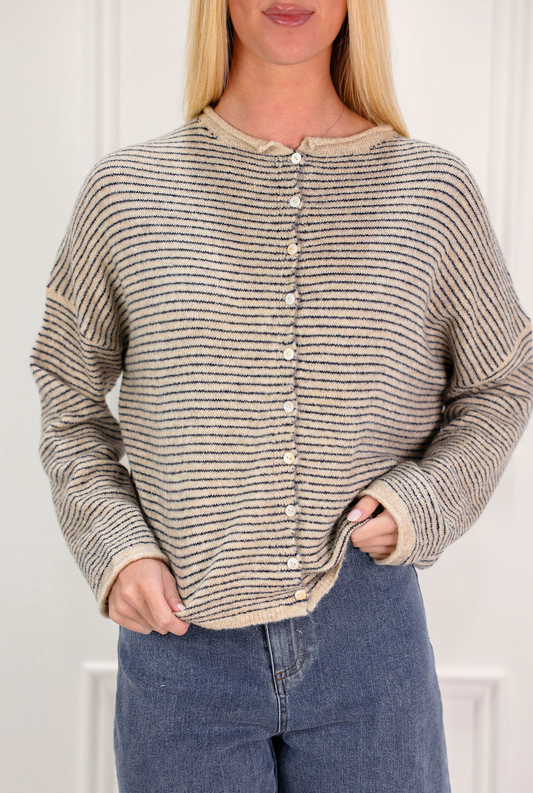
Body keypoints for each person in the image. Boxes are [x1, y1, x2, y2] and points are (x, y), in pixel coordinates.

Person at [29, 1, 533, 791]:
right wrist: (116, 546)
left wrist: (423, 498)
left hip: (369, 635)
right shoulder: (125, 192)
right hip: (179, 642)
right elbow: (68, 396)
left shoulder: (431, 190)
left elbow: (500, 379)